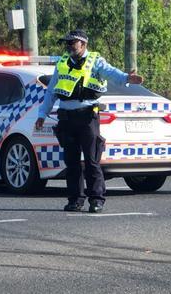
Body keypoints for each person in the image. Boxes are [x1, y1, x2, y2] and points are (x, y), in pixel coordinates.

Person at [34, 29, 144, 213]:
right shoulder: (62, 63)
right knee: (72, 162)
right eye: (67, 43)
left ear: (83, 44)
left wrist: (126, 78)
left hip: (87, 117)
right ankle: (75, 200)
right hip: (67, 118)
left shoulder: (95, 61)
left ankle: (96, 199)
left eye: (73, 43)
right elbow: (51, 91)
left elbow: (111, 73)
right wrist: (42, 115)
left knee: (92, 161)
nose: (69, 46)